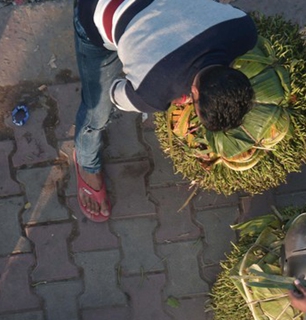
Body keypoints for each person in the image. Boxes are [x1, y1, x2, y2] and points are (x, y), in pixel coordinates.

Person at [73, 0, 258, 222]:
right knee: (97, 111)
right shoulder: (152, 93)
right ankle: (86, 164)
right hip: (97, 7)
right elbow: (114, 92)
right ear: (194, 95)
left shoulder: (244, 30)